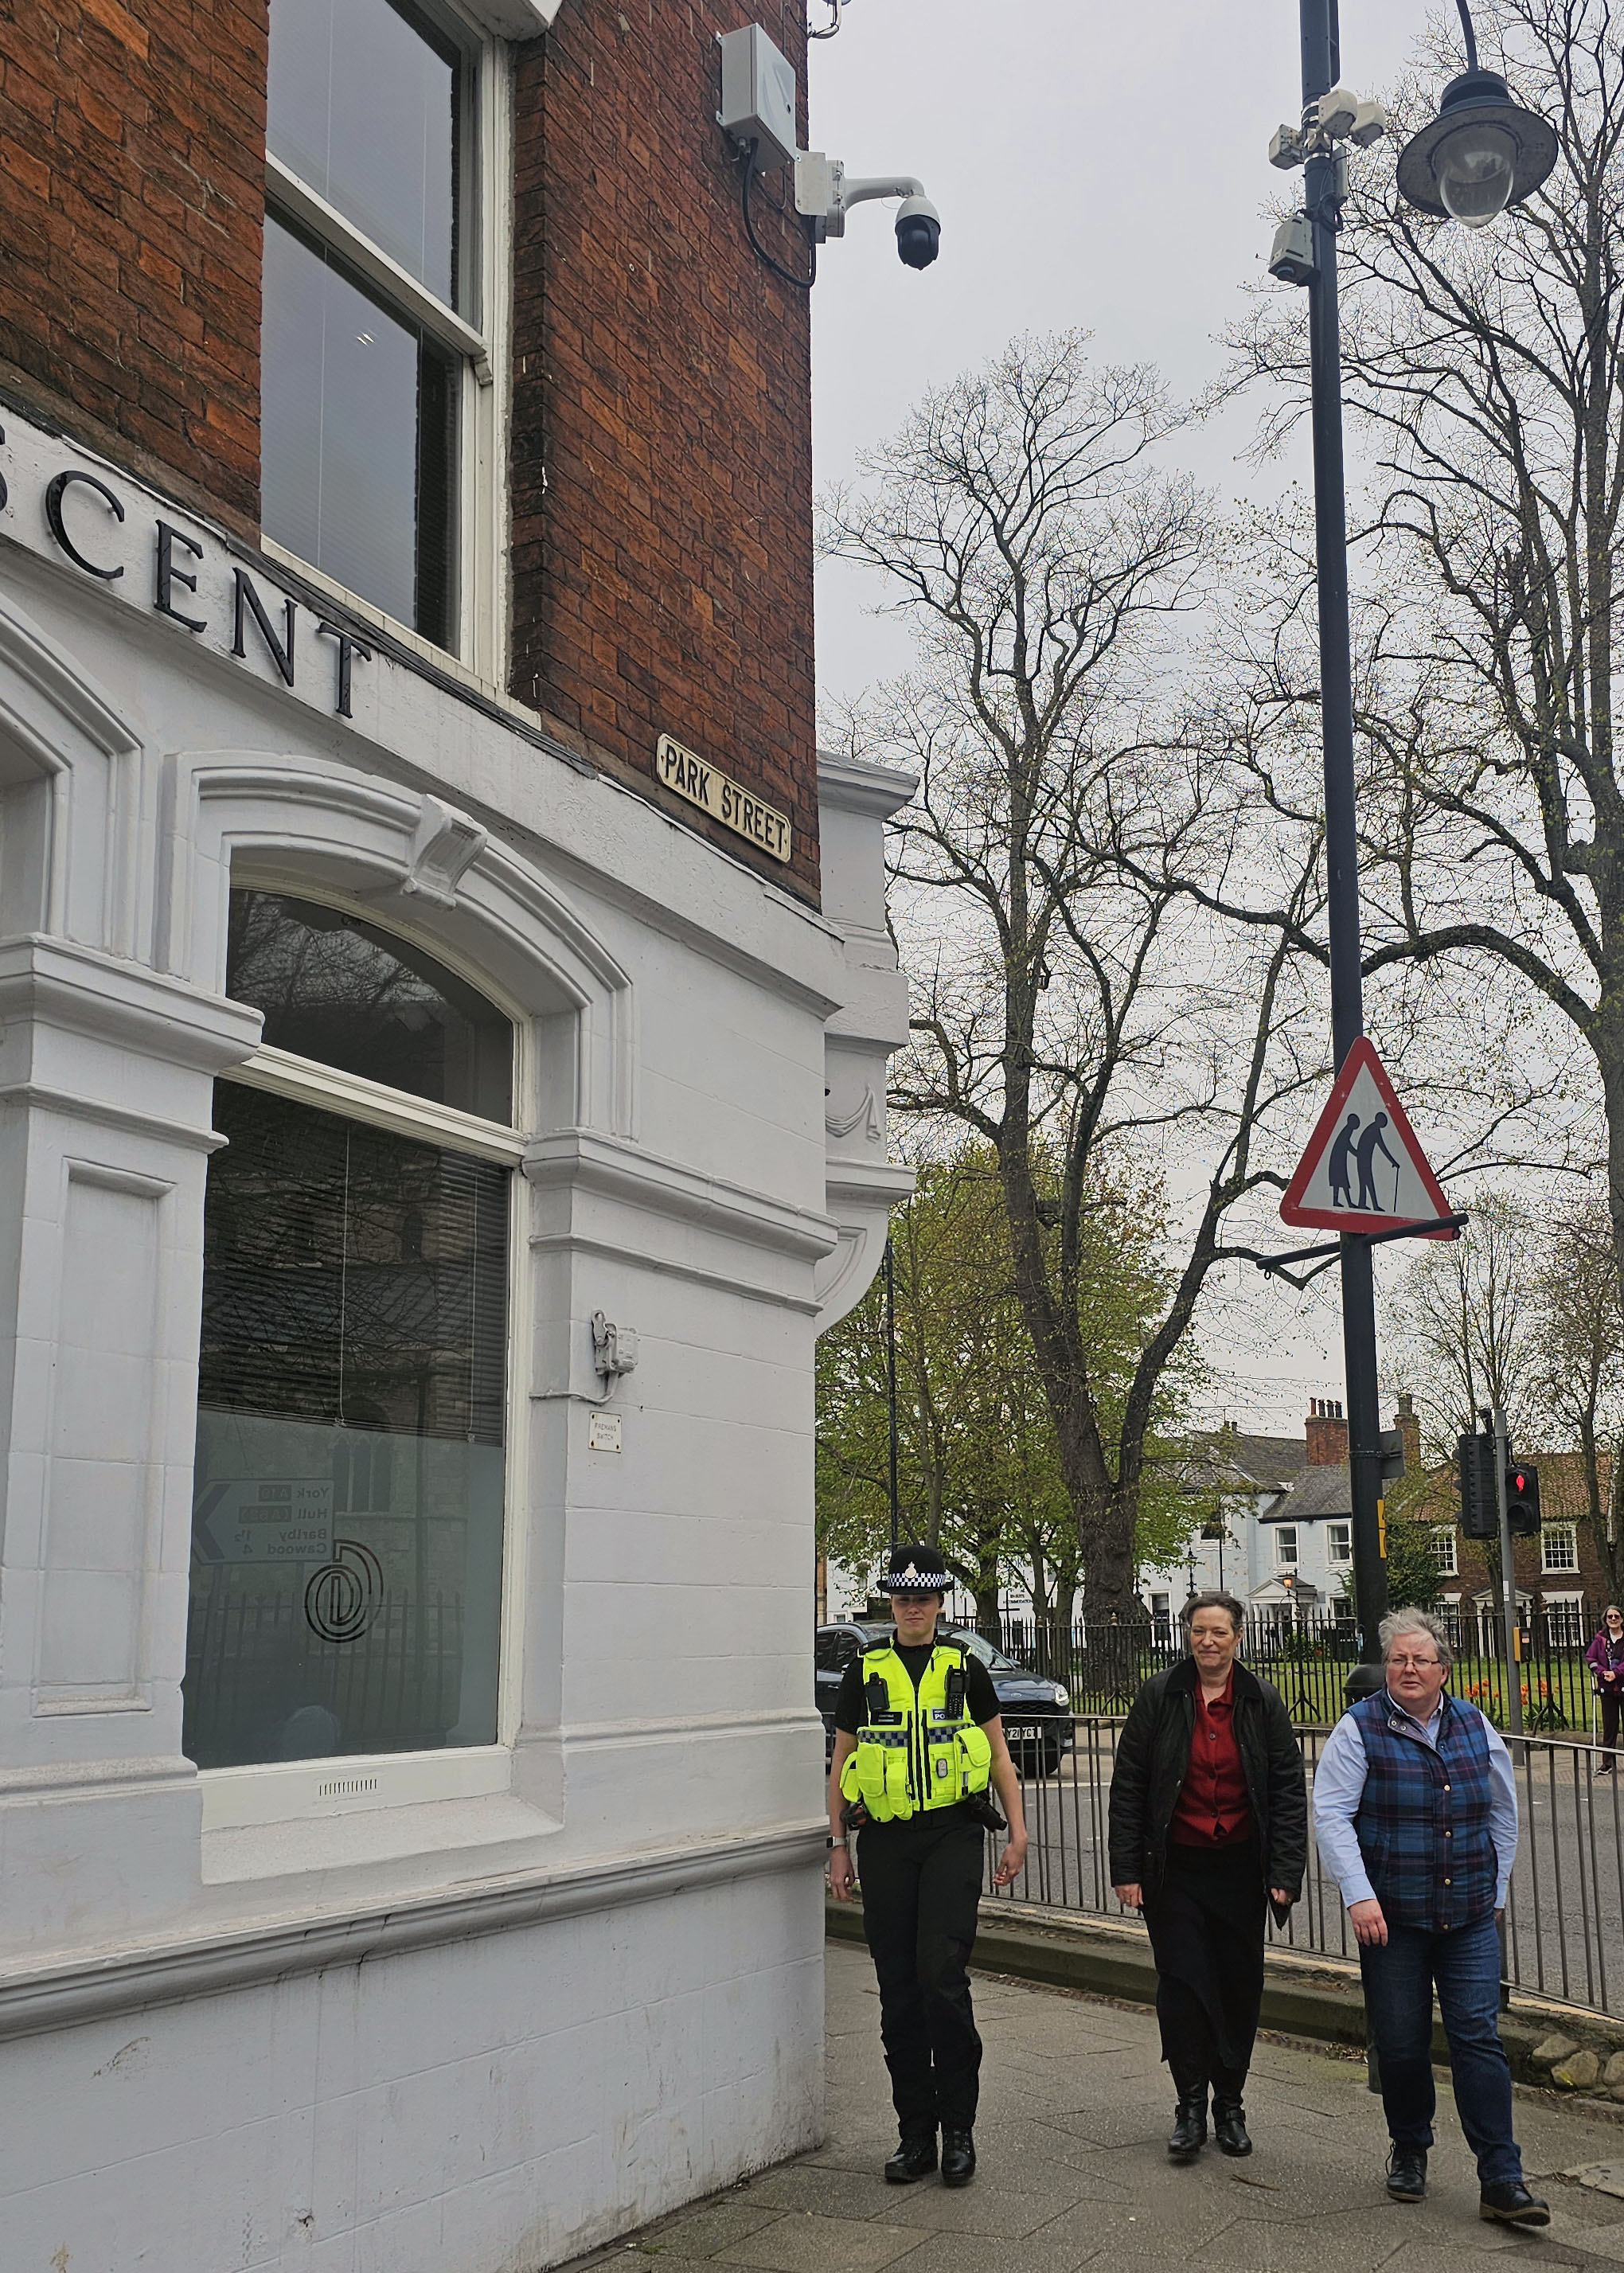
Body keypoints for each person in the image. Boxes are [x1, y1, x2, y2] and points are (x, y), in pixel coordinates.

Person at [1313, 1608, 1548, 2228]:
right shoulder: (1359, 1727)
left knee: (1479, 2037)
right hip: (1392, 1915)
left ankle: (1501, 2175)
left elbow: (1502, 1809)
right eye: (1397, 1659)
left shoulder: (1474, 1723)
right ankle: (1410, 2146)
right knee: (1401, 2040)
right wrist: (1359, 1894)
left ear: (1445, 1668)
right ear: (1385, 1667)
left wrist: (1496, 1890)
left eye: (1421, 1659)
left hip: (1469, 1911)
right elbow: (1332, 1812)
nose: (1409, 1668)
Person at [826, 1544, 1028, 2189]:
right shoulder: (866, 1669)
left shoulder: (965, 1667)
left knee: (942, 1977)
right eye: (903, 1598)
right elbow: (841, 1763)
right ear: (892, 1603)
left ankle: (959, 2129)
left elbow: (999, 1755)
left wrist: (1017, 1832)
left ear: (941, 1603)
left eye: (924, 1598)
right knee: (898, 1988)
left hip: (952, 1834)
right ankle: (915, 2134)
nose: (913, 1608)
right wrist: (837, 1844)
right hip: (886, 1841)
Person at [1108, 1591, 1306, 2163]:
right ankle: (1190, 2103)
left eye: (1219, 1631)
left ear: (1238, 1636)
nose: (1209, 1641)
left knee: (1239, 1987)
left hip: (1240, 1869)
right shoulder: (1160, 1695)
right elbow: (1130, 1787)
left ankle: (1231, 2104)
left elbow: (1288, 1792)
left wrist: (1285, 1869)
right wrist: (1126, 1868)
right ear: (1187, 1634)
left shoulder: (1260, 1700)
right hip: (1175, 1870)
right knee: (1184, 1986)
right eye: (1199, 1631)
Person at [1587, 1604, 1624, 1774]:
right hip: (1607, 1688)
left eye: (1616, 1616)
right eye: (1610, 1617)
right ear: (1606, 1620)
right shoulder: (1600, 1639)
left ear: (1622, 1619)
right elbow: (1591, 1658)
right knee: (1609, 1726)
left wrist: (1616, 1673)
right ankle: (1607, 1763)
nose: (1614, 1619)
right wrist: (1603, 1673)